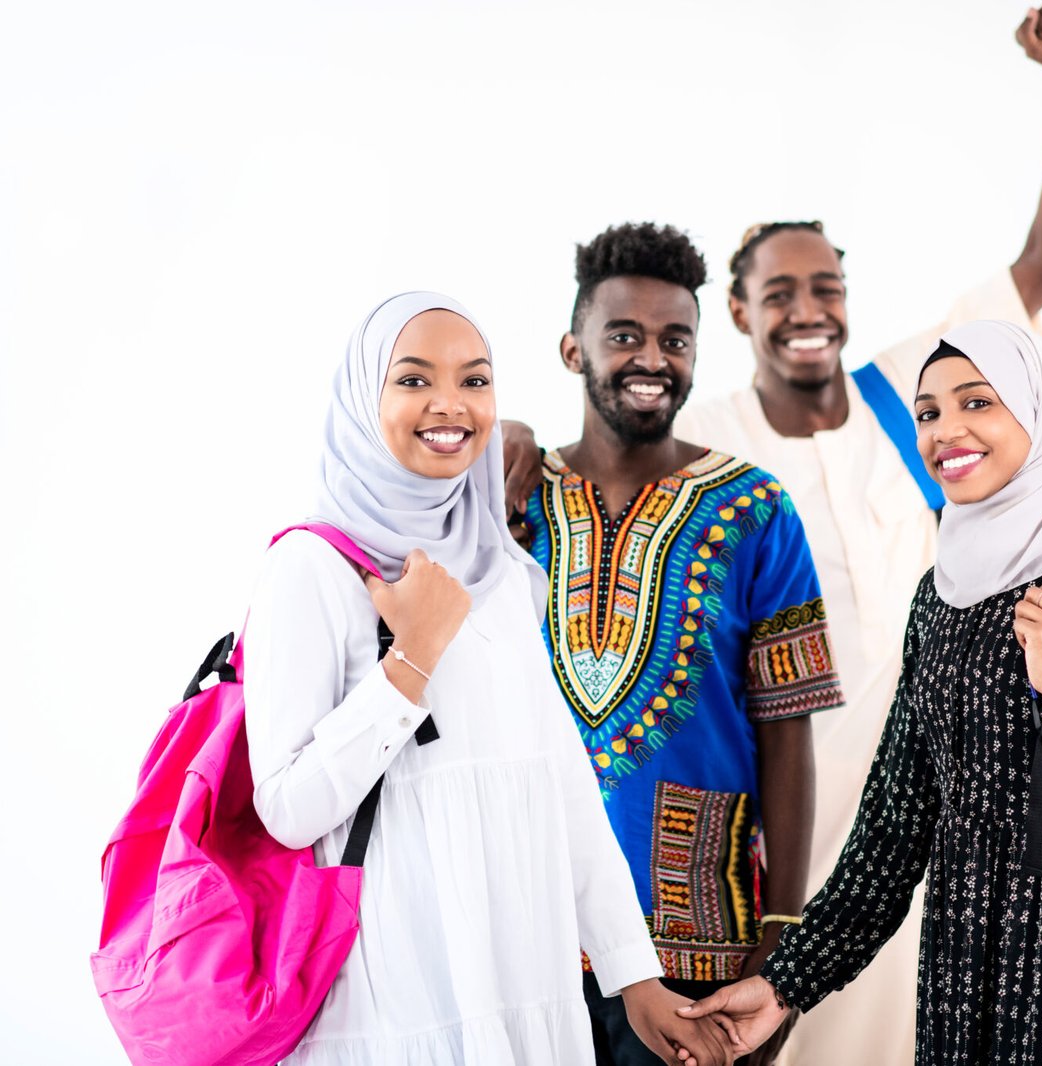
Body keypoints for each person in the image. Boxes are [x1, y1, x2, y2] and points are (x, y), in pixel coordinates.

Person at [508, 6, 1042, 1060]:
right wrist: (504, 435)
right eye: (777, 291)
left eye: (825, 285)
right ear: (736, 316)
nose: (806, 308)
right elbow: (606, 426)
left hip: (923, 801)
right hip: (777, 820)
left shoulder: (911, 405)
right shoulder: (713, 439)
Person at [676, 320, 1042, 1065]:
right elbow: (892, 839)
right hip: (962, 997)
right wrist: (784, 986)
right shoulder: (940, 598)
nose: (944, 430)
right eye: (926, 413)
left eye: (976, 403)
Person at [243, 291, 734, 1066]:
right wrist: (411, 658)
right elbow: (288, 808)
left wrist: (632, 976)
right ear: (363, 398)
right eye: (412, 380)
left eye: (475, 380)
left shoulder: (506, 576)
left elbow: (559, 783)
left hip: (524, 994)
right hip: (393, 1003)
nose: (450, 404)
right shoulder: (309, 570)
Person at [518, 223, 844, 1066]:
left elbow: (787, 732)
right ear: (571, 347)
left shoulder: (757, 509)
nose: (650, 358)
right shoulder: (511, 507)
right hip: (527, 940)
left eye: (675, 339)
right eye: (623, 335)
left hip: (703, 943)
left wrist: (784, 942)